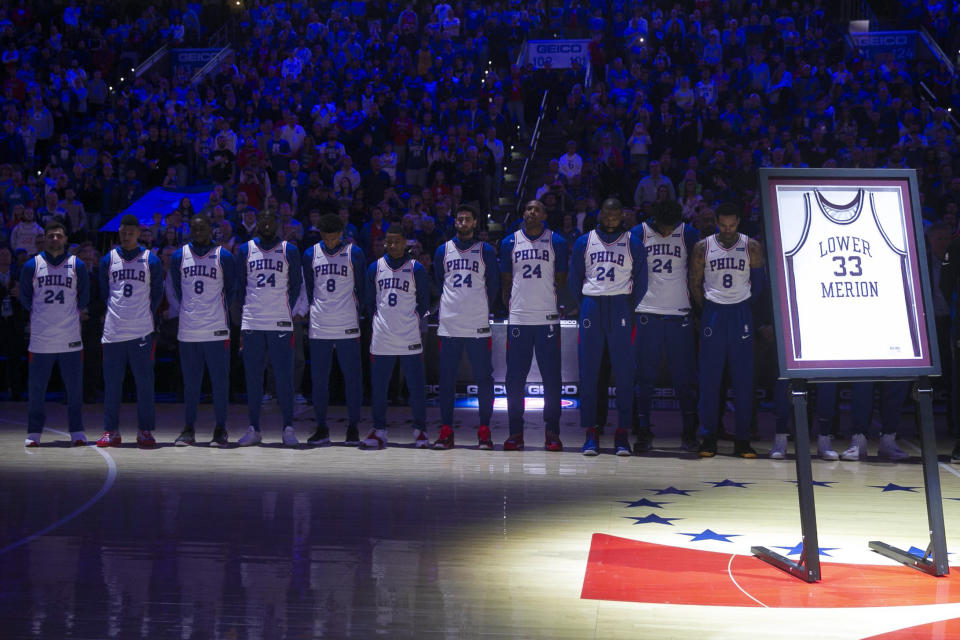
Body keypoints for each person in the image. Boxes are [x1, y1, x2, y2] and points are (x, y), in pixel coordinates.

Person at [569, 197, 647, 456]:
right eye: (607, 214)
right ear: (600, 214)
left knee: (624, 374)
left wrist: (627, 306)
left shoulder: (633, 243)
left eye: (616, 214)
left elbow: (642, 281)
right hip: (592, 304)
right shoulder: (584, 241)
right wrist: (587, 304)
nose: (611, 218)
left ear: (622, 216)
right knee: (589, 372)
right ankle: (591, 432)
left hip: (620, 306)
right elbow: (573, 279)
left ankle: (622, 433)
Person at [689, 203, 764, 458]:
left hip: (741, 312)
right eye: (723, 225)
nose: (728, 230)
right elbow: (695, 284)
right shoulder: (703, 247)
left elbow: (760, 286)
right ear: (717, 222)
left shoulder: (751, 246)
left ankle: (742, 439)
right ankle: (708, 437)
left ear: (738, 222)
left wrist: (741, 304)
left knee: (744, 380)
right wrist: (707, 309)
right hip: (714, 312)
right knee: (709, 380)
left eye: (732, 225)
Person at [631, 199, 700, 453]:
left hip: (679, 313)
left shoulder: (688, 234)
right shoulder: (638, 234)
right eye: (664, 227)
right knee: (645, 377)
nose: (669, 232)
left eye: (673, 227)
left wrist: (697, 309)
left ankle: (690, 431)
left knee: (684, 379)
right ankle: (642, 430)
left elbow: (696, 273)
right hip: (647, 312)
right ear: (654, 219)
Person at [500, 200, 569, 451]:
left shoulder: (557, 242)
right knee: (514, 379)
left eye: (537, 209)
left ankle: (552, 432)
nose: (532, 212)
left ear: (544, 214)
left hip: (547, 318)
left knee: (552, 378)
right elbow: (506, 280)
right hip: (519, 318)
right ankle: (515, 432)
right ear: (523, 213)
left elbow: (560, 279)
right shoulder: (509, 242)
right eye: (528, 208)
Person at [432, 204, 500, 449]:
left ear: (474, 223)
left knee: (484, 378)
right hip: (449, 324)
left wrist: (478, 307)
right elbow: (440, 284)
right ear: (455, 222)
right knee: (447, 379)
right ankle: (447, 430)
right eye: (459, 219)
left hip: (477, 324)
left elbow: (493, 286)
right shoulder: (443, 250)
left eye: (467, 219)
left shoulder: (486, 252)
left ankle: (484, 430)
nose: (462, 222)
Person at [236, 210, 303, 446]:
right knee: (253, 378)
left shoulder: (289, 250)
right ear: (257, 224)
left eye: (270, 220)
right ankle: (254, 428)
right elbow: (239, 287)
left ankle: (288, 428)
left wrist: (285, 309)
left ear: (277, 223)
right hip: (253, 321)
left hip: (280, 322)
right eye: (263, 220)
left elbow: (297, 286)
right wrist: (241, 320)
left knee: (284, 377)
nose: (266, 224)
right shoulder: (245, 250)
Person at [20, 220, 90, 446]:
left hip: (70, 337)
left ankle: (77, 431)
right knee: (37, 389)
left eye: (59, 235)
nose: (55, 239)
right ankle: (34, 433)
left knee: (74, 389)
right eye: (51, 236)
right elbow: (24, 297)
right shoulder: (32, 265)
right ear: (44, 239)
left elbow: (85, 296)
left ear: (66, 238)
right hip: (41, 337)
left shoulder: (76, 264)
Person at [170, 215, 238, 447]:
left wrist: (213, 311)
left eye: (203, 228)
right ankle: (188, 428)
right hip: (189, 329)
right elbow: (177, 290)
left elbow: (231, 290)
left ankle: (221, 429)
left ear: (212, 230)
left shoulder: (224, 256)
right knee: (191, 384)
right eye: (194, 228)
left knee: (220, 382)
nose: (198, 232)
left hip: (216, 328)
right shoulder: (179, 256)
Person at [98, 214, 164, 447]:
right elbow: (104, 292)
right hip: (114, 330)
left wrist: (142, 314)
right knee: (112, 383)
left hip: (141, 330)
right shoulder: (109, 259)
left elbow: (156, 295)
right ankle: (111, 430)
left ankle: (145, 430)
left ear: (139, 234)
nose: (126, 237)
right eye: (123, 233)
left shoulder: (150, 260)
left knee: (145, 383)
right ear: (120, 233)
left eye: (131, 233)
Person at [363, 226, 431, 449]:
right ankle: (379, 430)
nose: (392, 246)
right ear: (384, 243)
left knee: (416, 386)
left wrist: (412, 321)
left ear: (405, 243)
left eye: (397, 242)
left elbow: (425, 301)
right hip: (382, 335)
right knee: (380, 387)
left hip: (409, 334)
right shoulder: (375, 267)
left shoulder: (416, 269)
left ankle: (420, 430)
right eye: (389, 242)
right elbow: (369, 301)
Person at [302, 214, 366, 446]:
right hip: (320, 324)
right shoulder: (310, 254)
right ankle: (321, 427)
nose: (329, 242)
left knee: (352, 378)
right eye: (326, 238)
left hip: (347, 322)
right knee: (319, 379)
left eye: (333, 237)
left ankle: (353, 427)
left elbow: (361, 287)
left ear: (342, 234)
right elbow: (308, 289)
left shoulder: (354, 253)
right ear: (320, 235)